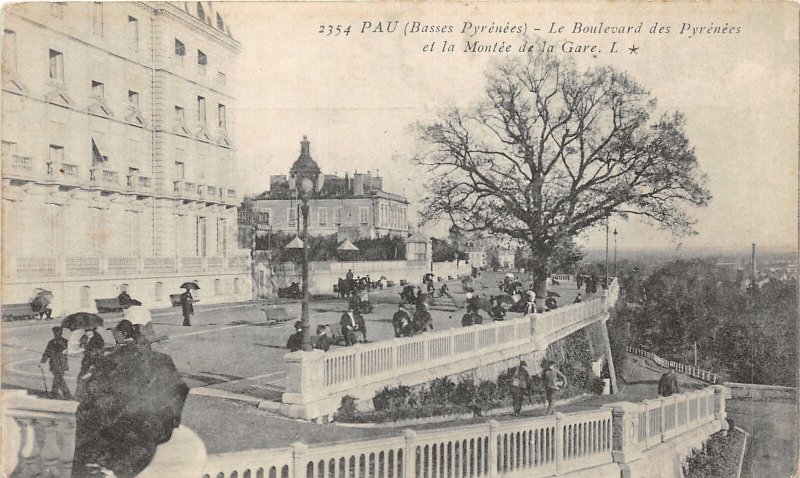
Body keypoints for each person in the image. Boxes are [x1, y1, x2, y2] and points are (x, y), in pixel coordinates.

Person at [72, 319, 189, 478]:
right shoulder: (162, 360)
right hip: (150, 437)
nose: (114, 335)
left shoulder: (109, 360)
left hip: (117, 440)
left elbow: (91, 399)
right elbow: (179, 391)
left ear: (125, 335)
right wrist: (168, 425)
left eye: (117, 333)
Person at [39, 326, 71, 400]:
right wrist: (42, 362)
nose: (56, 334)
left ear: (61, 333)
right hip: (53, 363)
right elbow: (47, 352)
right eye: (55, 333)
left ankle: (66, 394)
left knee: (58, 378)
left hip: (61, 363)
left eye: (58, 333)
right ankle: (55, 393)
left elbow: (66, 348)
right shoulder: (51, 342)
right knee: (57, 378)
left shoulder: (65, 341)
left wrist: (59, 342)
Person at [76, 327, 105, 400]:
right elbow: (81, 344)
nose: (86, 331)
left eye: (87, 330)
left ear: (92, 331)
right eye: (85, 330)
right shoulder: (84, 337)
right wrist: (82, 346)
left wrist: (88, 350)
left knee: (88, 379)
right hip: (86, 361)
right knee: (81, 378)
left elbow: (99, 349)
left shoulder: (97, 338)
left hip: (94, 361)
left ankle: (84, 396)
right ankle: (80, 395)